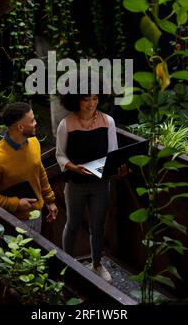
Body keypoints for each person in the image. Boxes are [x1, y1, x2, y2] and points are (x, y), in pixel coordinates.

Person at [56, 82, 126, 282]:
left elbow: (113, 154)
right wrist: (73, 167)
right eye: (86, 98)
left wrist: (118, 169)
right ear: (76, 99)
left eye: (95, 98)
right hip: (75, 184)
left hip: (100, 184)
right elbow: (60, 156)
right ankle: (66, 265)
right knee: (72, 224)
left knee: (98, 226)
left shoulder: (108, 122)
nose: (91, 103)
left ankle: (97, 264)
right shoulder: (66, 124)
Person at [0, 101, 58, 233]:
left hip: (37, 216)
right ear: (20, 127)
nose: (36, 123)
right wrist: (15, 204)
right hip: (11, 223)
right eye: (32, 121)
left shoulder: (34, 142)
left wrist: (50, 200)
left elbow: (38, 169)